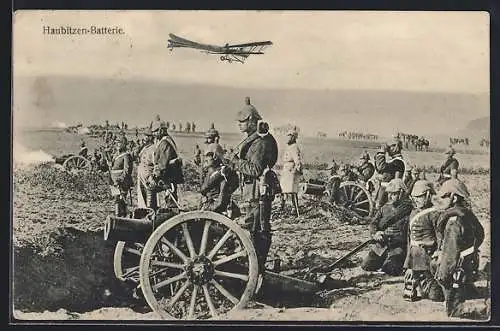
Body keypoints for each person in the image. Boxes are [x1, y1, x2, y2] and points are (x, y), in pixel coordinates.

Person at [230, 98, 279, 272]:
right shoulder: (254, 139)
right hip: (253, 191)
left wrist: (235, 163)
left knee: (259, 229)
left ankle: (258, 266)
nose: (239, 125)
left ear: (252, 120)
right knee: (253, 227)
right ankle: (255, 264)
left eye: (242, 121)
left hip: (259, 192)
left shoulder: (261, 142)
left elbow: (256, 169)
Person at [434, 179, 484, 317]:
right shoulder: (467, 214)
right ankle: (468, 288)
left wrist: (442, 276)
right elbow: (480, 235)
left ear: (453, 197)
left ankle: (482, 308)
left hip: (456, 271)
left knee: (452, 311)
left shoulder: (453, 222)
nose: (441, 199)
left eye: (444, 196)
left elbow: (450, 257)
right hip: (469, 265)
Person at [403, 180, 445, 302]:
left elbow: (440, 238)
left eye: (419, 197)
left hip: (428, 259)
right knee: (410, 292)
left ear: (428, 195)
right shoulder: (413, 213)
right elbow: (409, 241)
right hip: (414, 258)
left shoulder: (434, 213)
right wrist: (408, 265)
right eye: (414, 197)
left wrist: (435, 250)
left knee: (435, 296)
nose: (416, 200)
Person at [361, 178, 413, 276]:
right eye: (389, 193)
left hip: (398, 246)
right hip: (382, 244)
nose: (390, 196)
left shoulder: (409, 209)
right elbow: (373, 223)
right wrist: (375, 233)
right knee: (367, 266)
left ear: (401, 193)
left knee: (391, 269)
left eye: (394, 194)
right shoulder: (385, 208)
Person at [151, 121, 184, 208]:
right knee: (169, 196)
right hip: (168, 175)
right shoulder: (164, 141)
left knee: (170, 197)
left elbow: (163, 163)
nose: (153, 134)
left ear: (161, 131)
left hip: (169, 176)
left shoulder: (165, 143)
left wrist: (155, 176)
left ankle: (170, 215)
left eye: (155, 131)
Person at [199, 150, 240, 217]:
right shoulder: (214, 173)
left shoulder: (219, 174)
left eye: (207, 161)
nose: (205, 163)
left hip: (215, 203)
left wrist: (210, 207)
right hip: (212, 201)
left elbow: (205, 188)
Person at [374, 135, 406, 209]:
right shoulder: (395, 161)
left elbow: (381, 167)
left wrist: (381, 153)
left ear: (396, 148)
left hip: (388, 192)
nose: (388, 149)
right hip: (384, 191)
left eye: (390, 146)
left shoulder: (398, 162)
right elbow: (380, 169)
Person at [280, 128, 302, 215]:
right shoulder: (288, 147)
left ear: (293, 137)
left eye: (289, 136)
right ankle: (282, 206)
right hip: (286, 170)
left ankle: (294, 208)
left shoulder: (294, 147)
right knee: (283, 189)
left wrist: (295, 170)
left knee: (292, 191)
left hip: (291, 172)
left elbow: (298, 160)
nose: (287, 138)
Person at [109, 138, 134, 217]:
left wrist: (120, 180)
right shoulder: (115, 155)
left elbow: (127, 171)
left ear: (124, 144)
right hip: (113, 181)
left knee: (121, 200)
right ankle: (118, 216)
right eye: (116, 143)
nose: (117, 145)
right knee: (116, 199)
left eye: (119, 143)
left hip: (122, 182)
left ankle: (123, 216)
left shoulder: (126, 155)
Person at [136, 129, 156, 209]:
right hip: (141, 178)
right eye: (144, 136)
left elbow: (156, 164)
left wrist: (153, 177)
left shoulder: (154, 149)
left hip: (149, 179)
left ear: (151, 138)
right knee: (142, 200)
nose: (144, 138)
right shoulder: (144, 148)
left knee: (150, 201)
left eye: (146, 136)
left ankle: (150, 216)